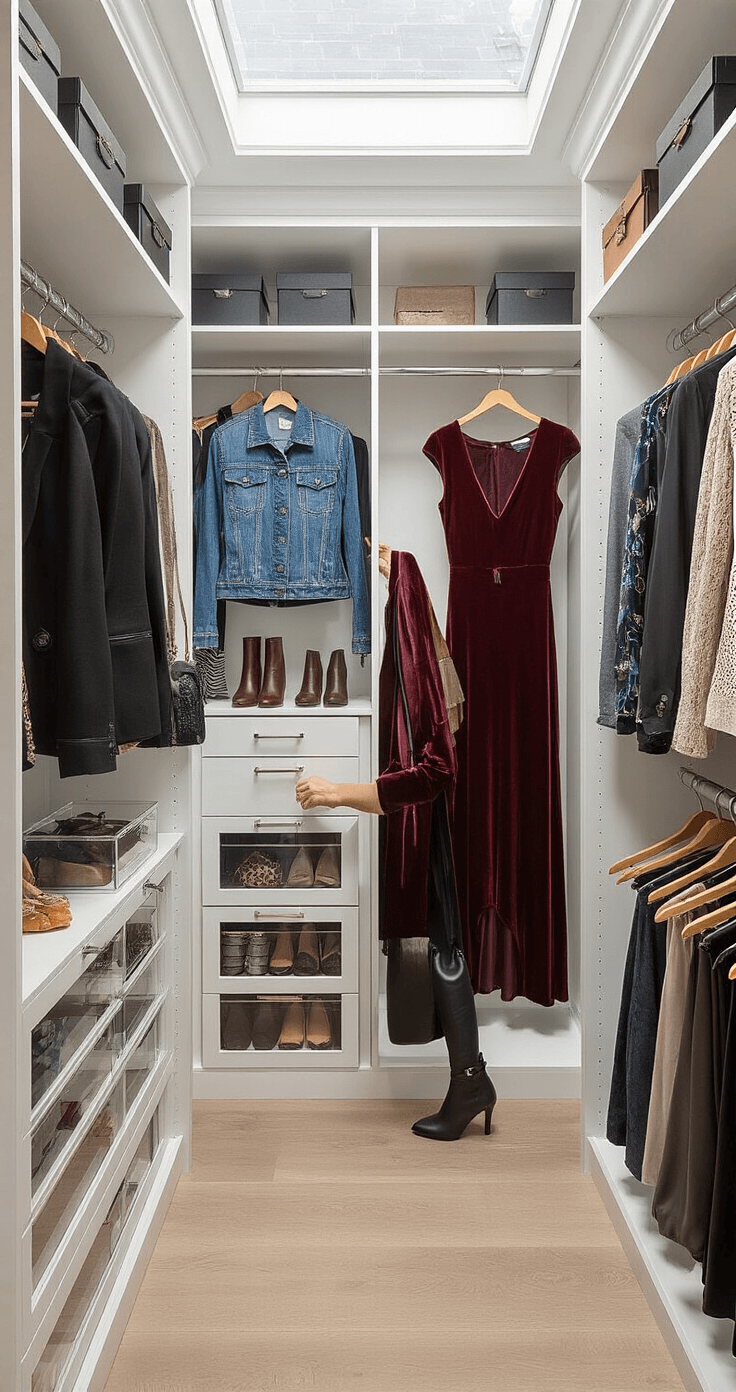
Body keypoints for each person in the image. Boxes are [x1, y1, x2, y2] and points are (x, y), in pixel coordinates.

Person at [296, 544, 496, 1141]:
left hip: (429, 829)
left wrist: (337, 793)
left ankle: (470, 1083)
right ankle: (471, 1083)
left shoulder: (412, 646)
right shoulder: (409, 619)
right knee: (442, 945)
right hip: (431, 829)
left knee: (444, 947)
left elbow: (435, 769)